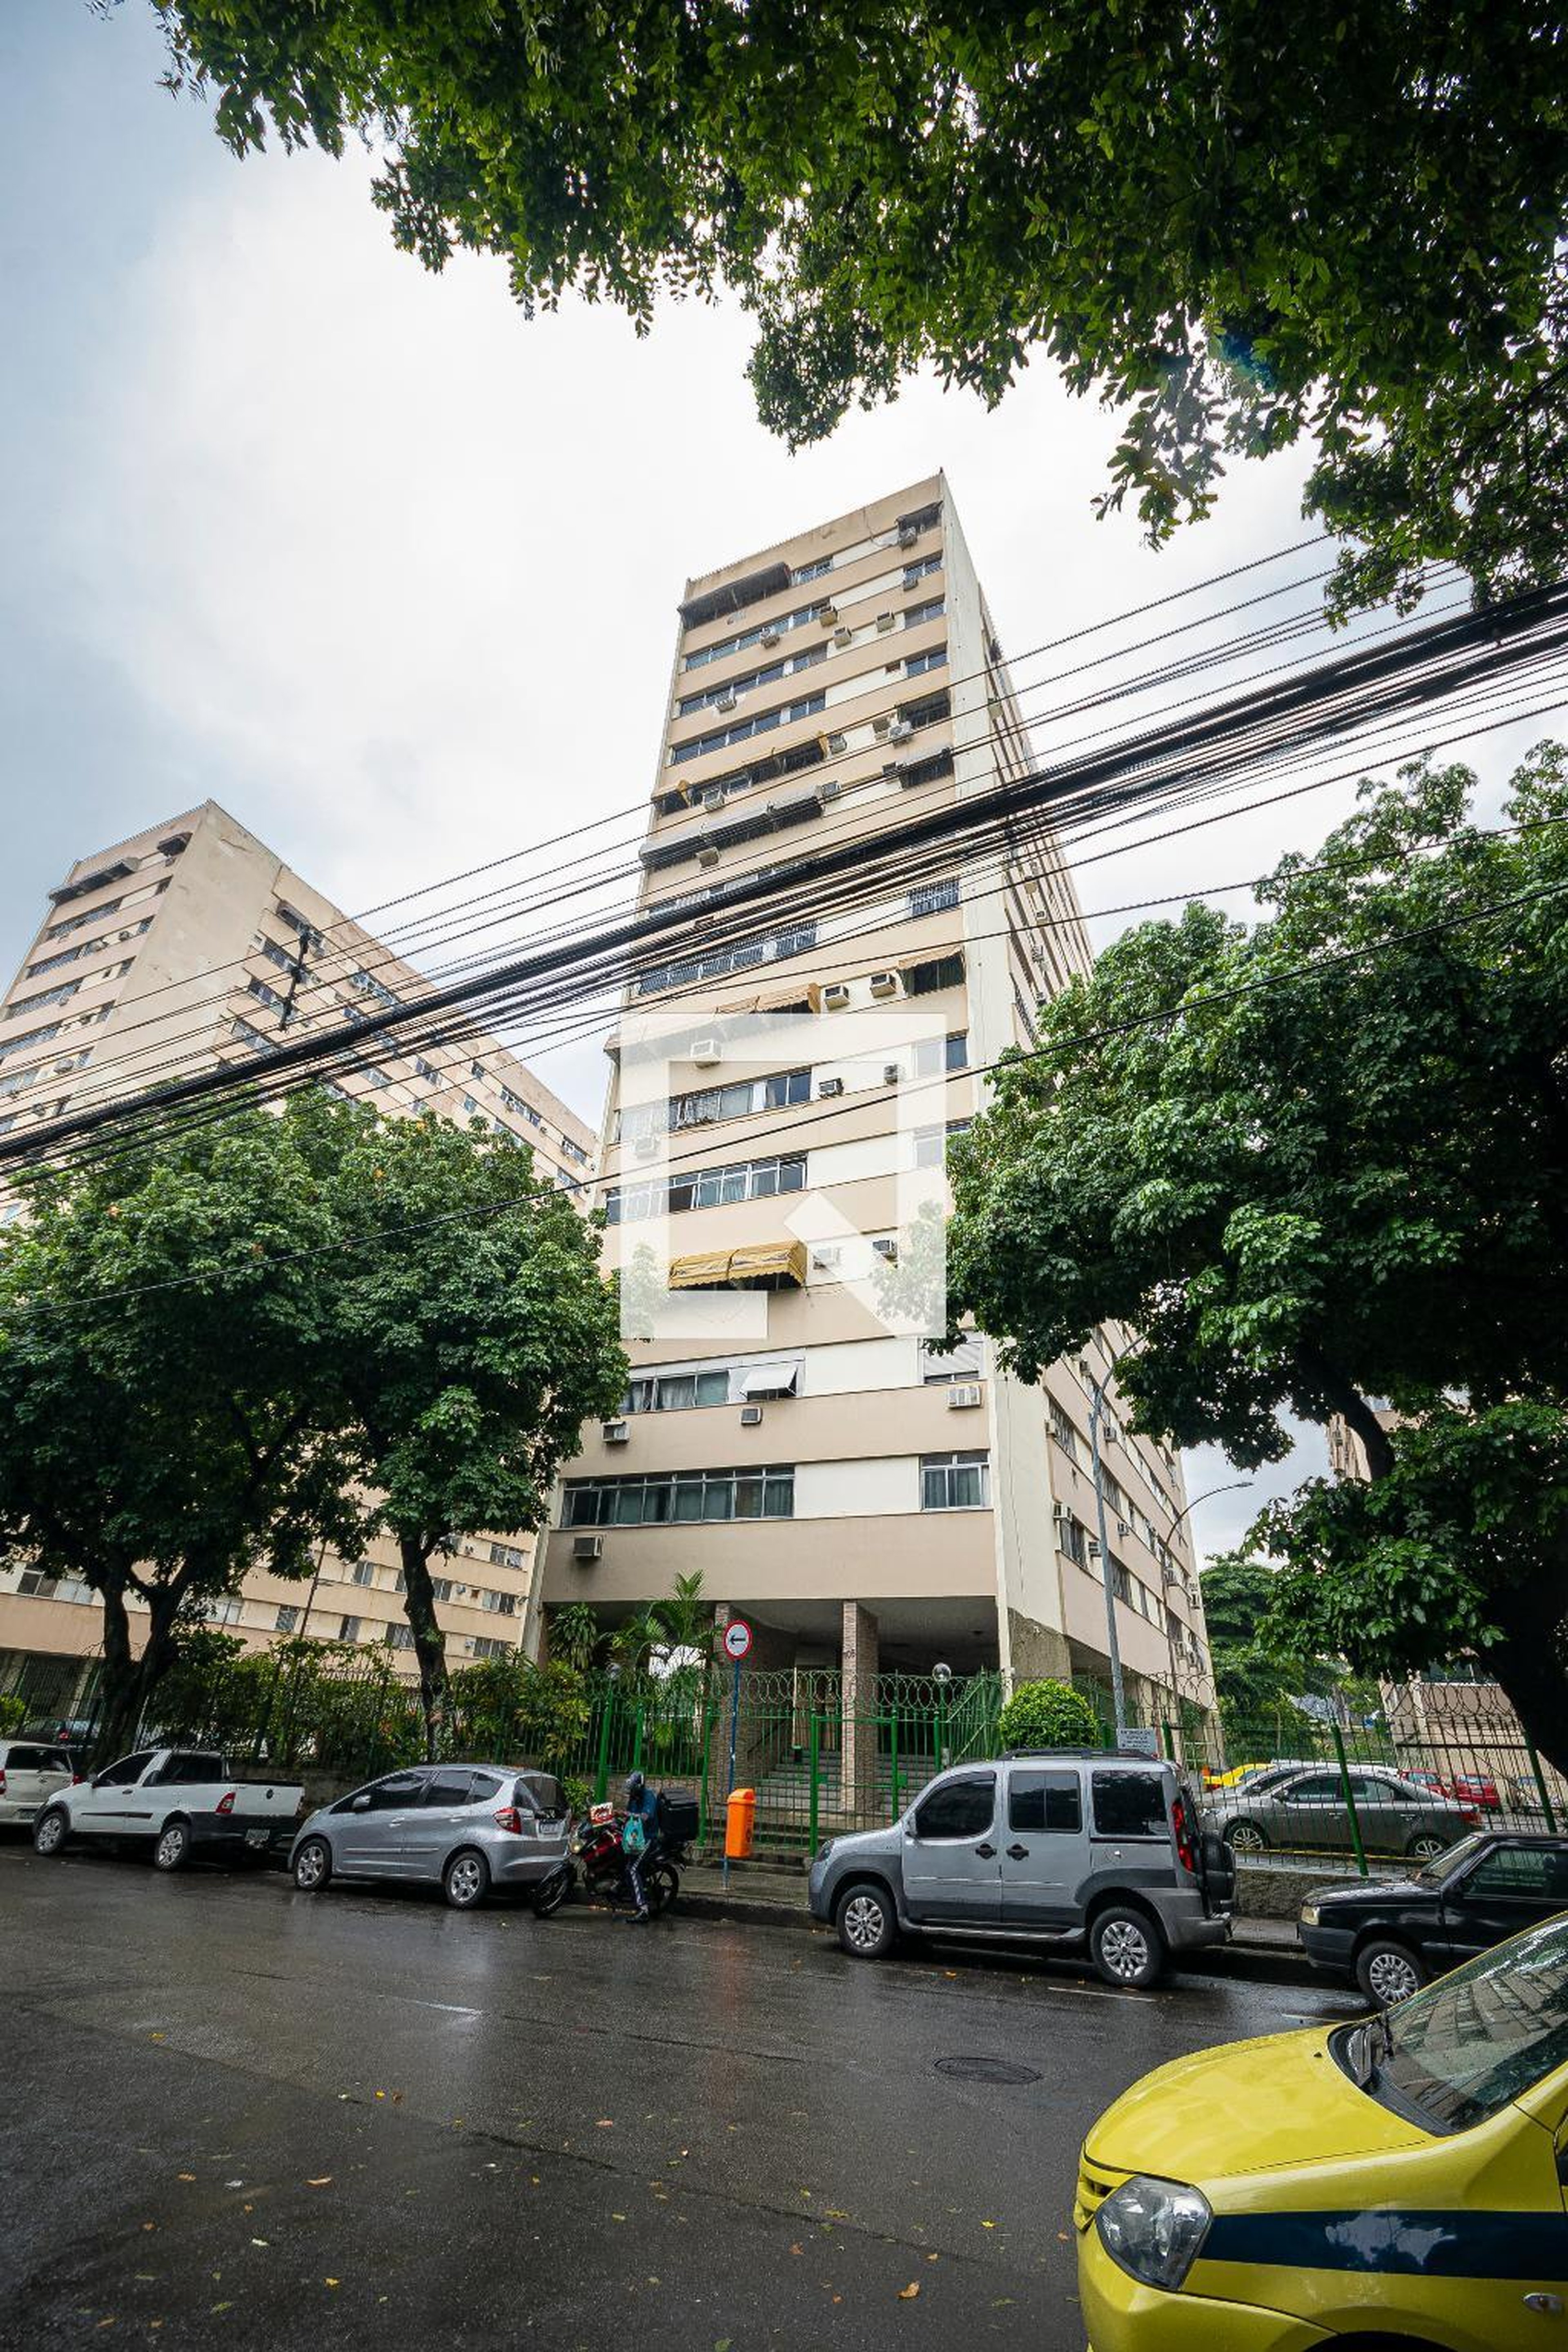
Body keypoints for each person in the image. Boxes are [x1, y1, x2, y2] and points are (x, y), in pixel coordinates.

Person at [620, 1770, 659, 1921]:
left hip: (647, 1839)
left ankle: (643, 1910)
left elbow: (646, 1817)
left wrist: (627, 1815)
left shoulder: (648, 1796)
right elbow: (628, 1815)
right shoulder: (634, 1798)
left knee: (632, 1869)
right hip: (634, 1838)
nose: (630, 1792)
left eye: (632, 1789)